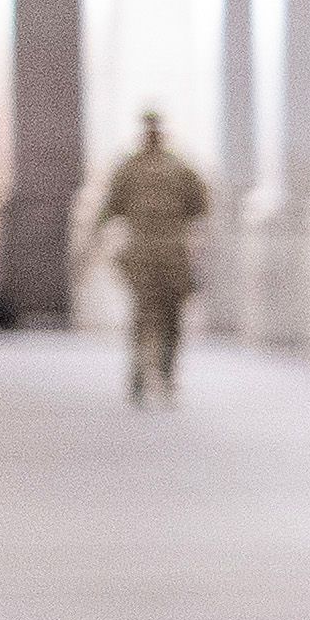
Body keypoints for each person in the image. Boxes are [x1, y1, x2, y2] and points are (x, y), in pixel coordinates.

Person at [97, 114, 211, 406]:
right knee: (150, 315)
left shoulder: (161, 168)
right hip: (156, 253)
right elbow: (201, 207)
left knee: (165, 316)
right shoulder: (155, 167)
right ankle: (146, 376)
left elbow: (200, 206)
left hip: (161, 252)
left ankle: (159, 375)